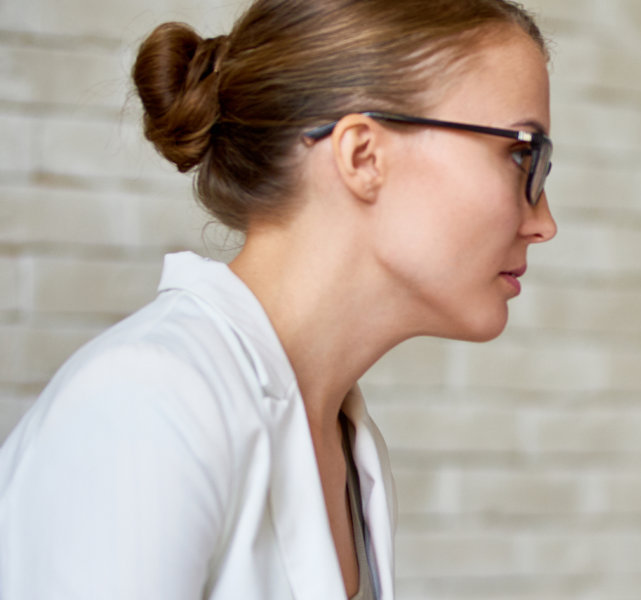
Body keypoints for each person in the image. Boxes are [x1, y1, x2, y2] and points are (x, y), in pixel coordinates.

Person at [0, 0, 556, 598]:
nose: (544, 222)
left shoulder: (344, 448)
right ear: (362, 155)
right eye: (523, 153)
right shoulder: (144, 408)